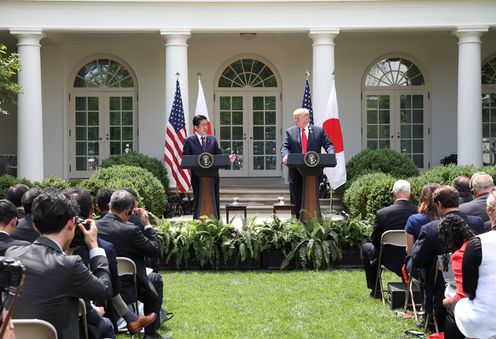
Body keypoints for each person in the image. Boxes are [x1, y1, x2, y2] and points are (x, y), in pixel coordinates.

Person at [6, 189, 113, 338]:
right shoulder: (70, 265)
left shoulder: (12, 254)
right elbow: (105, 289)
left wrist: (67, 251)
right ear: (71, 223)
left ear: (35, 226)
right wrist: (94, 247)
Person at [67, 188, 156, 337]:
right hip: (89, 312)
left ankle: (130, 318)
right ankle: (135, 322)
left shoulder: (41, 252)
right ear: (91, 212)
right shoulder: (105, 247)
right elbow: (107, 289)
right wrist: (94, 247)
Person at [412, 185, 486, 330]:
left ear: (438, 204)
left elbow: (419, 260)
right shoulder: (477, 222)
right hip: (475, 285)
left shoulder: (430, 229)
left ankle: (427, 310)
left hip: (439, 289)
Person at [96, 190, 164, 339]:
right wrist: (147, 225)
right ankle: (150, 334)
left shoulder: (93, 227)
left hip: (98, 288)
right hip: (129, 289)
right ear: (128, 211)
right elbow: (156, 250)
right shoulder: (131, 230)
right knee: (155, 281)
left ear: (110, 205)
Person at [445, 190, 496, 339]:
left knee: (454, 308)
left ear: (488, 212)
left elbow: (469, 291)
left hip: (486, 320)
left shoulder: (477, 243)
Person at [360, 179, 417, 297]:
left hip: (388, 258)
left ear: (393, 195)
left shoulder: (382, 213)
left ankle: (376, 289)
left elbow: (376, 240)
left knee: (366, 248)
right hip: (413, 257)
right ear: (410, 195)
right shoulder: (419, 212)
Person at [280, 108, 335, 218]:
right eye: (294, 118)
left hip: (313, 173)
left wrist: (331, 154)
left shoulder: (319, 131)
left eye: (297, 118)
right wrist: (285, 156)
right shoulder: (290, 132)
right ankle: (297, 225)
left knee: (311, 199)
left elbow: (328, 145)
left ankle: (313, 222)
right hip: (295, 173)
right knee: (296, 202)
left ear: (306, 118)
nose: (294, 120)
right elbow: (284, 147)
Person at [183, 114, 236, 219]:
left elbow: (218, 156)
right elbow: (186, 159)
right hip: (197, 177)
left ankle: (215, 222)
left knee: (214, 200)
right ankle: (197, 222)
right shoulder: (189, 141)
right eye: (203, 125)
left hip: (213, 177)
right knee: (199, 199)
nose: (206, 127)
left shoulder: (212, 140)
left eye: (206, 124)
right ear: (196, 127)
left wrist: (227, 159)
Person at [438, 214, 474, 309]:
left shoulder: (459, 255)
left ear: (449, 237)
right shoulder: (476, 245)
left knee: (447, 296)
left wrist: (446, 302)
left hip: (472, 306)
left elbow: (462, 297)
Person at [405, 183, 439, 256]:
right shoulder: (447, 218)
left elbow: (410, 251)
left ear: (422, 198)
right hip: (443, 263)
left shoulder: (413, 220)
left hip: (420, 264)